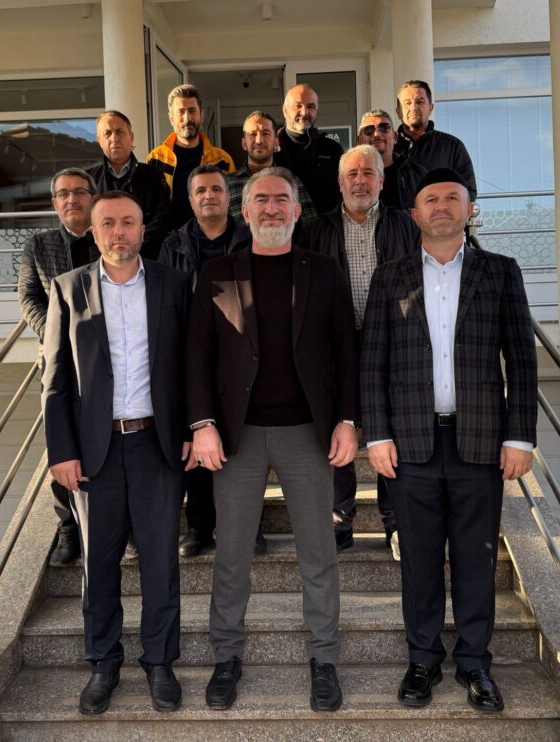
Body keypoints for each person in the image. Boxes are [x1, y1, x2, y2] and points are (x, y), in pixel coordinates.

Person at [360, 168, 537, 713]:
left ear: (469, 209)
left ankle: (475, 663)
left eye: (452, 198)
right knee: (418, 558)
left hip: (480, 440)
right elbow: (372, 362)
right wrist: (376, 434)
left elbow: (522, 359)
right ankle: (422, 659)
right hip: (410, 442)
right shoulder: (389, 277)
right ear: (414, 214)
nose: (441, 206)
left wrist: (520, 436)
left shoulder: (500, 272)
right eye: (431, 199)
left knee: (475, 556)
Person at [186, 167, 359, 713]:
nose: (270, 208)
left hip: (307, 433)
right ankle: (226, 657)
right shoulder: (217, 272)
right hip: (236, 437)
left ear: (297, 209)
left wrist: (347, 420)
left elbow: (346, 351)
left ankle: (324, 658)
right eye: (260, 199)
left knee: (318, 552)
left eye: (281, 199)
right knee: (232, 553)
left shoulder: (324, 271)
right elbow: (197, 355)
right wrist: (202, 424)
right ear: (245, 211)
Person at [41, 190, 191, 715]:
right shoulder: (68, 289)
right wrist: (61, 450)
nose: (119, 231)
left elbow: (190, 365)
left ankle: (160, 662)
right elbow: (55, 380)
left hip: (157, 445)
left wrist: (193, 429)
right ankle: (103, 663)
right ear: (94, 231)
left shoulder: (174, 284)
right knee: (99, 565)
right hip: (94, 451)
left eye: (129, 221)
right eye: (108, 223)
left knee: (160, 562)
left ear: (143, 229)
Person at [301, 144, 419, 557]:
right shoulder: (315, 230)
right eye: (352, 174)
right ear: (339, 183)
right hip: (335, 345)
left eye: (368, 173)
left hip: (393, 343)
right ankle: (340, 518)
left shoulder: (405, 226)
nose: (360, 181)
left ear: (382, 181)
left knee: (392, 430)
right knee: (338, 428)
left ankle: (395, 521)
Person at [157, 164, 258, 557]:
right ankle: (200, 526)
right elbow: (166, 300)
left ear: (228, 196)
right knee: (198, 435)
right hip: (192, 350)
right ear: (190, 199)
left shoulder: (249, 237)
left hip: (242, 351)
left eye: (216, 189)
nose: (209, 196)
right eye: (200, 191)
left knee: (243, 442)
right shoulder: (173, 244)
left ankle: (248, 527)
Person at [17, 167, 98, 567]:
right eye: (63, 194)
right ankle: (68, 529)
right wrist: (58, 336)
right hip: (57, 362)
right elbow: (28, 298)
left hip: (103, 360)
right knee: (61, 443)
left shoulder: (107, 238)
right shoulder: (39, 245)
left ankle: (124, 526)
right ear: (54, 203)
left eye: (79, 192)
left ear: (92, 198)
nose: (71, 199)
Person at [85, 110, 172, 260]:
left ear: (131, 137)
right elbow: (85, 222)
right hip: (101, 261)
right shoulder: (88, 180)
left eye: (120, 132)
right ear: (99, 140)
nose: (114, 138)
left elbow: (163, 218)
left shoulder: (153, 175)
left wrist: (134, 244)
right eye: (107, 133)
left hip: (147, 258)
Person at [148, 84, 235, 230]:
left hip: (211, 237)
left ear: (201, 115)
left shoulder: (222, 160)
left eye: (192, 111)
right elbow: (150, 206)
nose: (187, 118)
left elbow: (231, 205)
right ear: (171, 118)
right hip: (169, 239)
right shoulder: (156, 158)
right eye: (181, 112)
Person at [227, 110, 317, 228]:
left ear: (276, 142)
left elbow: (311, 227)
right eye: (253, 134)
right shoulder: (227, 184)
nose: (259, 140)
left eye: (265, 133)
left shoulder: (291, 181)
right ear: (244, 143)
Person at [393, 81, 477, 205]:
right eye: (407, 103)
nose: (413, 108)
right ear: (398, 111)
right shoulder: (389, 148)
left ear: (430, 108)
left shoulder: (452, 147)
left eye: (419, 102)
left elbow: (468, 193)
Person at [276, 84, 343, 215]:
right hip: (282, 225)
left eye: (310, 107)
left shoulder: (332, 149)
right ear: (285, 110)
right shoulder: (272, 150)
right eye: (298, 106)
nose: (304, 112)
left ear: (316, 111)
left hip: (325, 225)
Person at [356, 109, 425, 211]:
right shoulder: (349, 177)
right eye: (368, 130)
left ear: (395, 137)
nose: (377, 134)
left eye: (384, 128)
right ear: (359, 140)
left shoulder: (417, 174)